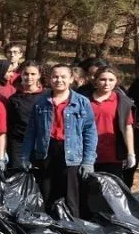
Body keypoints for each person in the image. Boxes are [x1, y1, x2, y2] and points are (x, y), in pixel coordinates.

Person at [22, 64, 97, 215]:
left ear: (71, 79)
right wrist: (25, 156)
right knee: (47, 194)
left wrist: (88, 161)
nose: (59, 80)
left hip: (71, 153)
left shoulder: (82, 102)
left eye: (63, 77)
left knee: (71, 198)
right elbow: (31, 131)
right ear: (49, 79)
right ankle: (50, 232)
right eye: (55, 76)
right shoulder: (41, 103)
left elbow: (90, 132)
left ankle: (72, 232)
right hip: (46, 152)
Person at [85, 66, 136, 181]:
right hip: (88, 154)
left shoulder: (122, 101)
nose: (106, 83)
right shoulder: (84, 100)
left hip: (113, 155)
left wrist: (130, 153)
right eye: (103, 79)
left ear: (116, 81)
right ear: (96, 80)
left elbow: (128, 127)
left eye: (111, 80)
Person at [3, 61, 47, 170]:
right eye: (26, 74)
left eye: (33, 74)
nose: (29, 77)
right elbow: (9, 125)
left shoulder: (47, 96)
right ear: (21, 75)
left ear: (39, 75)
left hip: (40, 143)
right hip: (18, 143)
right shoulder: (14, 98)